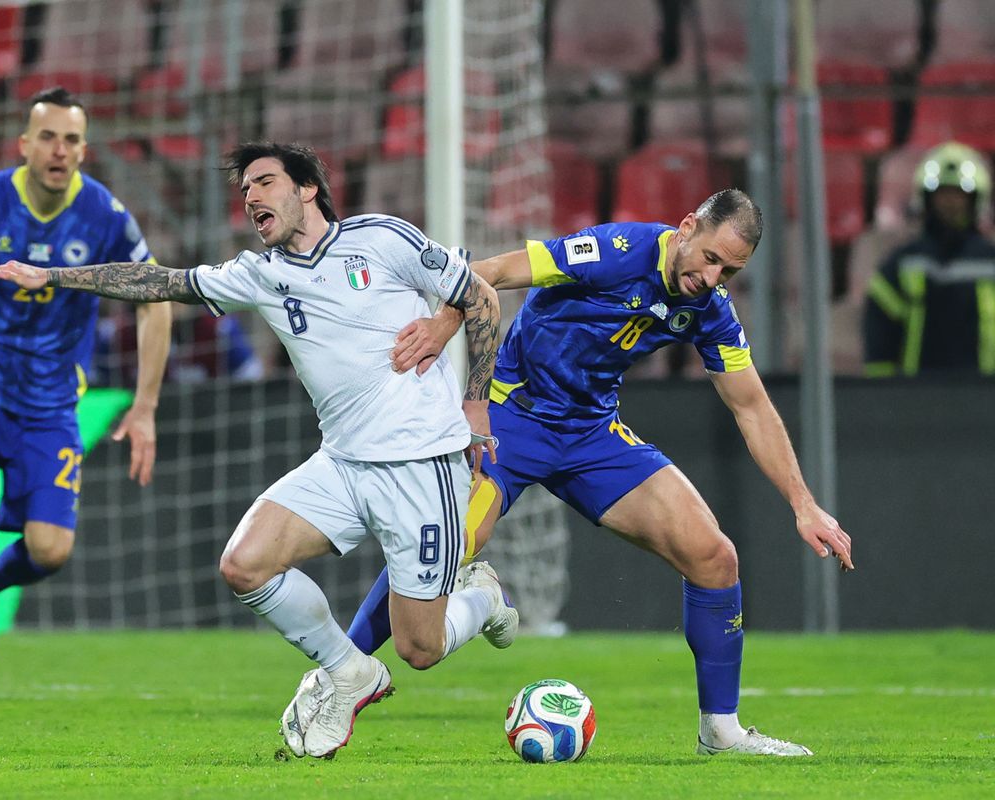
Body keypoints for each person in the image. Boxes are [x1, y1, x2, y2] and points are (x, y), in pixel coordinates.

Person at [0, 141, 517, 759]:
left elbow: (481, 298)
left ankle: (482, 598)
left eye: (264, 182)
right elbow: (162, 283)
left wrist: (476, 404)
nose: (252, 196)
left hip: (423, 468)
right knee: (244, 563)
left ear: (307, 188)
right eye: (245, 190)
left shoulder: (382, 240)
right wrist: (52, 276)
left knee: (421, 649)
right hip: (341, 464)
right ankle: (351, 671)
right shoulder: (260, 274)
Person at [298, 188, 856, 756]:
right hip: (511, 420)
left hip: (591, 435)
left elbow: (752, 405)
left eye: (730, 271)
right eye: (711, 258)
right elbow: (489, 271)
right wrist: (446, 320)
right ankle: (336, 678)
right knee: (441, 549)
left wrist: (803, 503)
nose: (714, 278)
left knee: (715, 557)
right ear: (687, 227)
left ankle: (721, 730)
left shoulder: (708, 309)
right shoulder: (615, 251)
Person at [0, 87, 172, 712]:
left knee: (51, 548)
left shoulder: (103, 215)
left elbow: (157, 298)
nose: (60, 150)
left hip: (50, 399)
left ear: (83, 149)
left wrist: (145, 404)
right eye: (47, 137)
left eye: (72, 139)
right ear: (24, 145)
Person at [864, 141, 995, 376]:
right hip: (916, 399)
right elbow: (879, 332)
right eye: (943, 194)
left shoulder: (990, 261)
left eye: (959, 195)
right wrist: (881, 394)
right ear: (926, 199)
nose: (951, 203)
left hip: (986, 399)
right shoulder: (901, 265)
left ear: (975, 201)